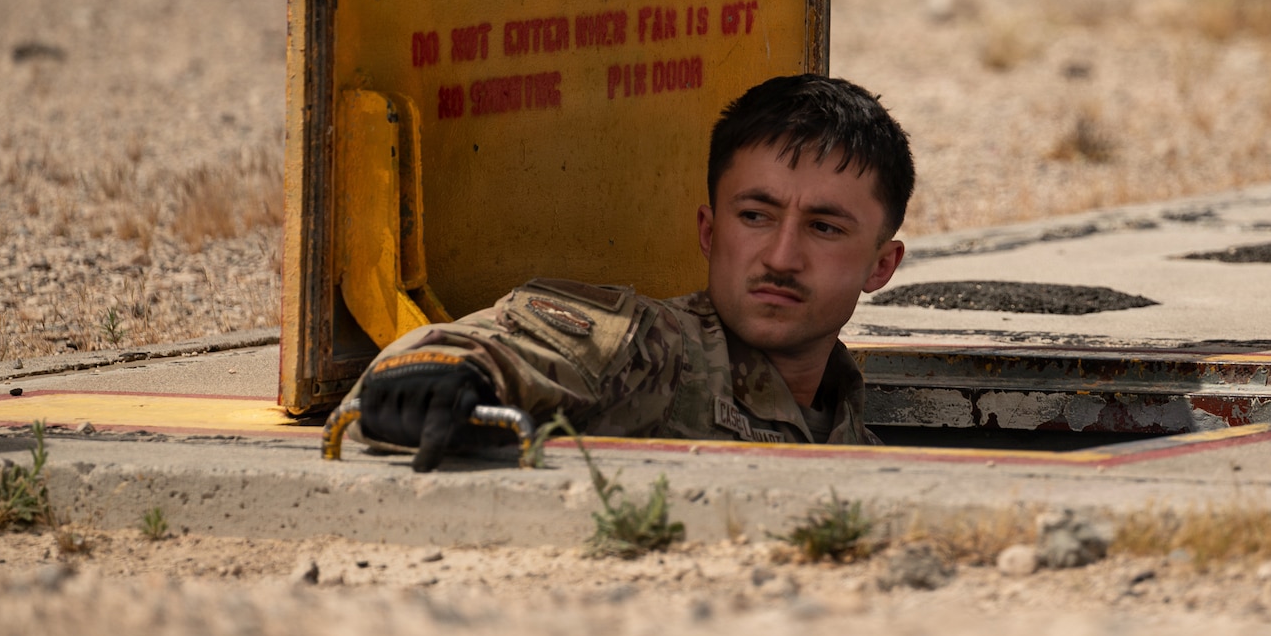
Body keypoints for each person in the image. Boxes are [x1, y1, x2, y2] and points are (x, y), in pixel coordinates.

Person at [343, 74, 913, 470]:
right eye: (756, 216)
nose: (781, 257)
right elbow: (503, 346)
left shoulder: (857, 442)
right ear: (710, 234)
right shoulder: (659, 353)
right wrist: (441, 375)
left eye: (825, 228)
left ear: (881, 265)